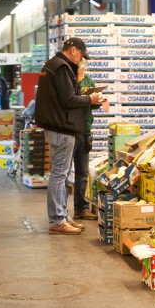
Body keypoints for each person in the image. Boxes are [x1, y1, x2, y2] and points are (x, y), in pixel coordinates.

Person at [34, 37, 103, 235]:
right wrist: (90, 98)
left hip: (57, 127)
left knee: (61, 174)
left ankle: (63, 216)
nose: (81, 59)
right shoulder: (62, 67)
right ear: (73, 50)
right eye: (81, 54)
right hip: (62, 128)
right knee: (59, 175)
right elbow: (68, 99)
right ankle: (57, 220)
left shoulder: (52, 65)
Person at [73, 60, 100, 221]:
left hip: (85, 131)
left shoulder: (88, 80)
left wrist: (98, 99)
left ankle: (81, 208)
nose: (81, 74)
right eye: (79, 72)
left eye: (83, 71)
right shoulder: (68, 80)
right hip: (69, 131)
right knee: (62, 173)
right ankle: (61, 211)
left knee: (82, 173)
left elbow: (94, 105)